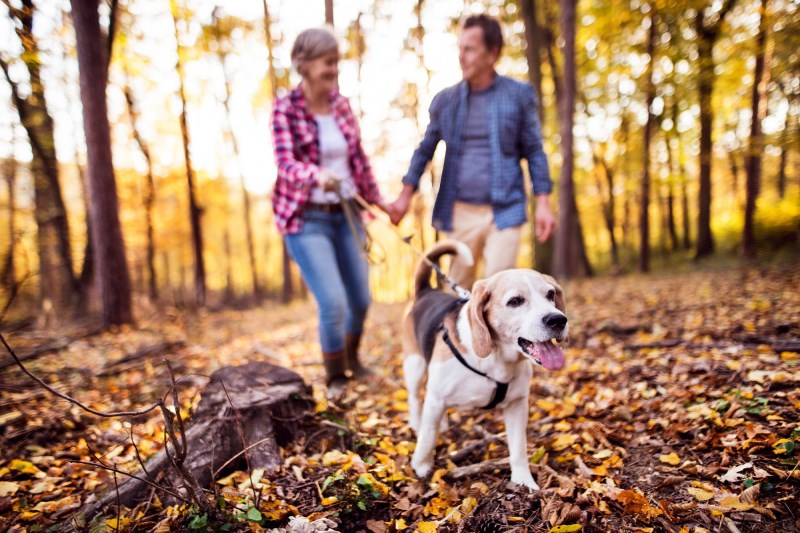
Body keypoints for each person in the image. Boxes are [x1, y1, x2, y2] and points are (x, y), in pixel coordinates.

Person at [387, 14, 556, 290]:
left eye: (469, 49)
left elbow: (535, 151)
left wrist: (544, 204)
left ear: (492, 53)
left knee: (501, 290)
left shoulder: (519, 95)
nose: (461, 57)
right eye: (459, 49)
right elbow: (424, 150)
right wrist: (405, 196)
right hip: (460, 210)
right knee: (458, 292)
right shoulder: (445, 101)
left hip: (506, 209)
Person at [270, 27, 387, 400]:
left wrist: (379, 202)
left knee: (360, 299)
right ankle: (335, 377)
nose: (334, 69)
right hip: (306, 219)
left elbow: (358, 159)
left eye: (336, 61)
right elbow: (286, 164)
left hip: (348, 215)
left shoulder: (341, 105)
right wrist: (315, 174)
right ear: (303, 65)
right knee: (333, 302)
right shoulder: (285, 108)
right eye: (327, 62)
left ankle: (353, 360)